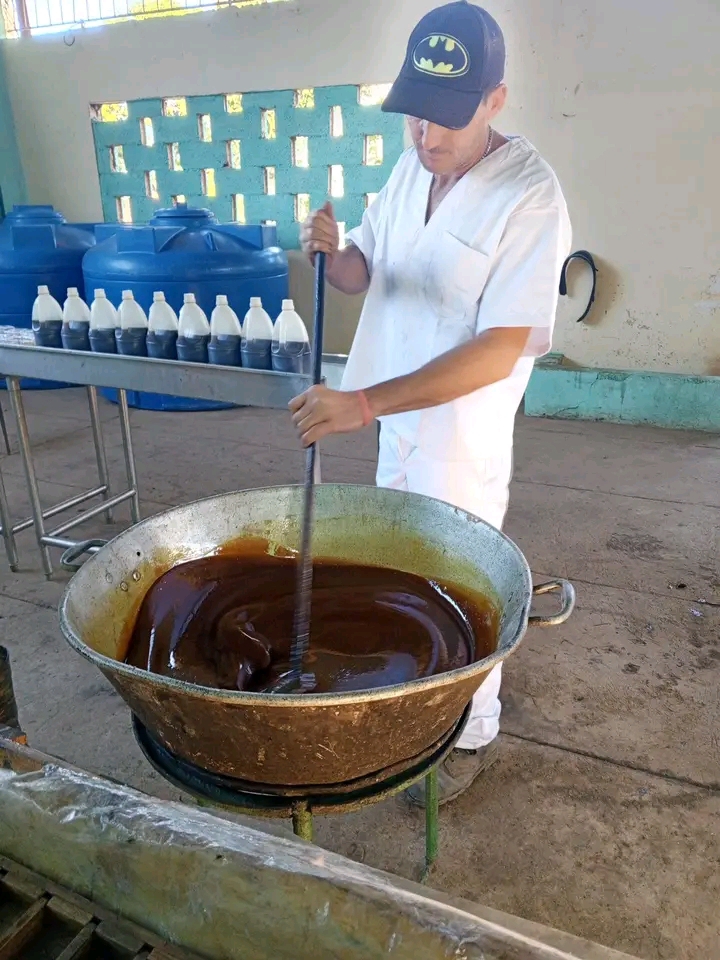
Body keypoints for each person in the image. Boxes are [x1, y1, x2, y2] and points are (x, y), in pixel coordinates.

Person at [290, 0, 571, 806]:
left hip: (457, 436)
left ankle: (471, 729)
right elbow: (366, 271)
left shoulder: (530, 197)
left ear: (495, 100)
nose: (427, 139)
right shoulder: (412, 163)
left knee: (460, 582)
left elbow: (498, 346)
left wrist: (364, 402)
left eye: (446, 121)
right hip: (391, 421)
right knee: (402, 570)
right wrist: (334, 253)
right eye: (415, 118)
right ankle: (413, 698)